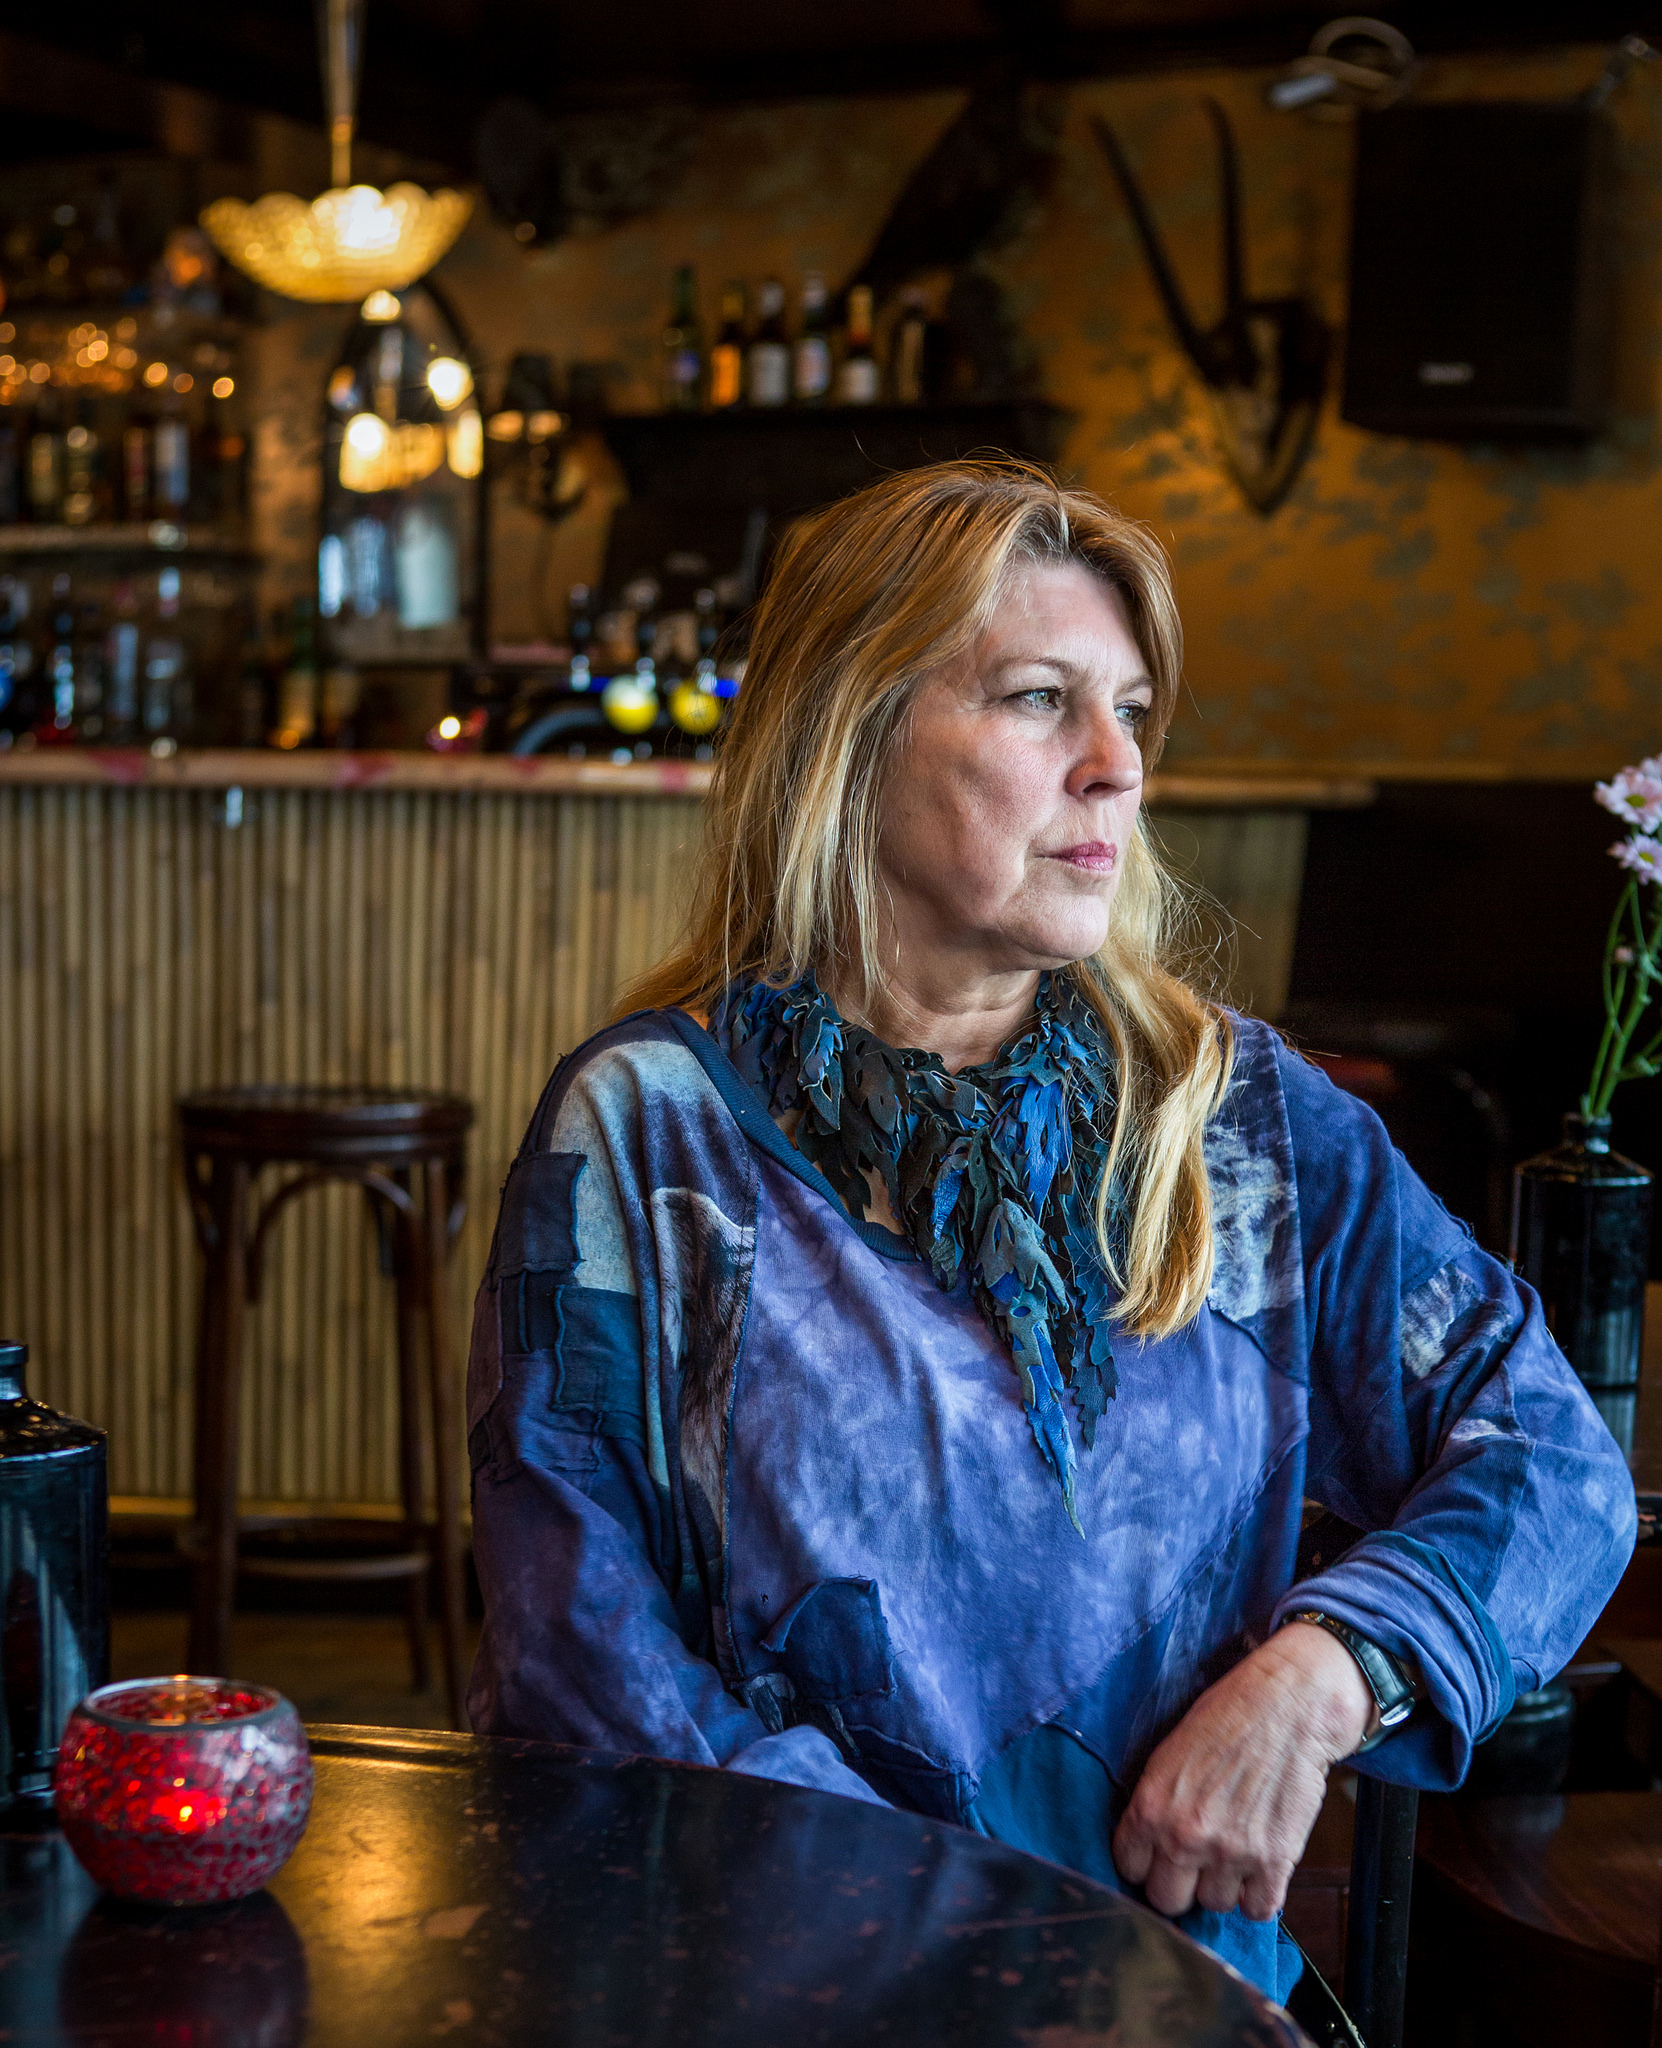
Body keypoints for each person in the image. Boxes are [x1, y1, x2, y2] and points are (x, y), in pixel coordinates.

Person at [466, 461, 1634, 2000]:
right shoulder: (647, 1126)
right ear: (846, 734)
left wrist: (1317, 1678)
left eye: (1131, 711)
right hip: (793, 1994)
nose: (1115, 765)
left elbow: (1556, 1462)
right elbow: (578, 1665)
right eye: (1037, 700)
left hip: (1177, 2006)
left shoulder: (1237, 1122)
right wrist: (965, 1948)